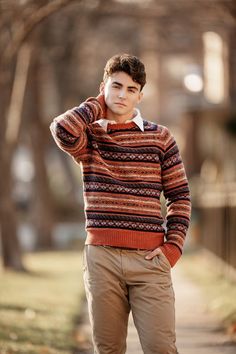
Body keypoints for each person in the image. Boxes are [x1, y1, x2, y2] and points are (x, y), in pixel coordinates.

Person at [50, 53, 191, 354]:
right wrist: (96, 106)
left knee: (161, 348)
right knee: (109, 349)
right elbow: (62, 129)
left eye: (131, 89)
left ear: (140, 95)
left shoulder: (161, 138)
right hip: (102, 259)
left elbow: (180, 196)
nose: (122, 95)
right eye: (116, 86)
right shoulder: (88, 136)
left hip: (150, 260)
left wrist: (172, 249)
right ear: (103, 86)